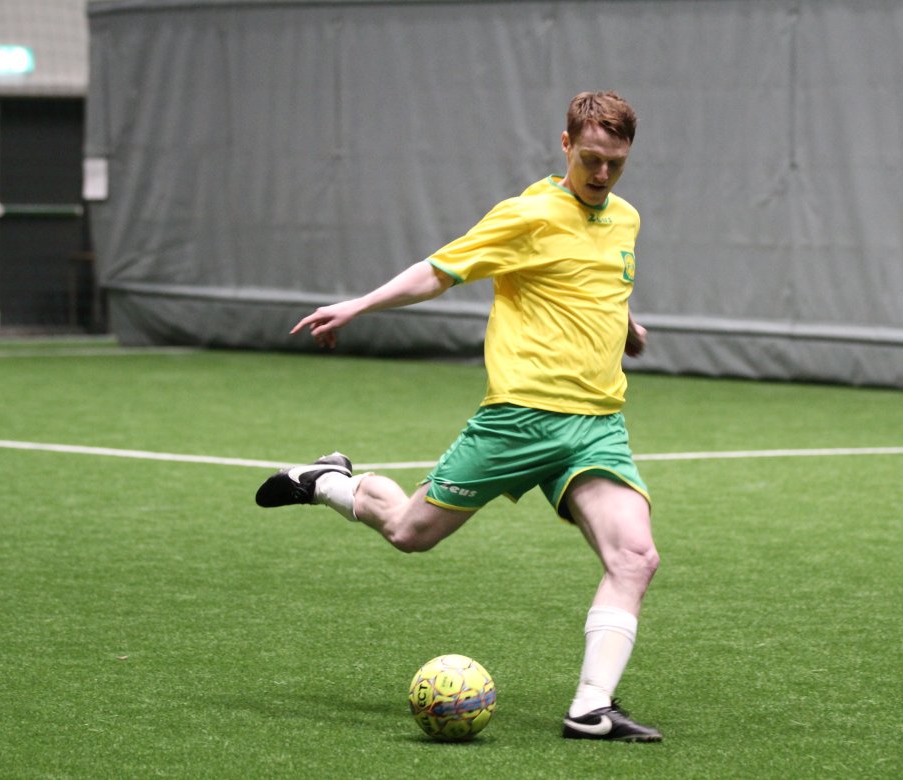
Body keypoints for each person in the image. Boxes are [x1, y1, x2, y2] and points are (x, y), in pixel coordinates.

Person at [256, 91, 662, 742]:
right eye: (591, 158)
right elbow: (438, 271)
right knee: (410, 532)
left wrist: (624, 324)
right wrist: (359, 305)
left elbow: (593, 283)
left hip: (596, 425)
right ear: (565, 145)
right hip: (519, 419)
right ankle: (325, 480)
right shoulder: (527, 214)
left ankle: (591, 708)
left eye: (616, 162)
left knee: (636, 556)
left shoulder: (626, 219)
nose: (603, 173)